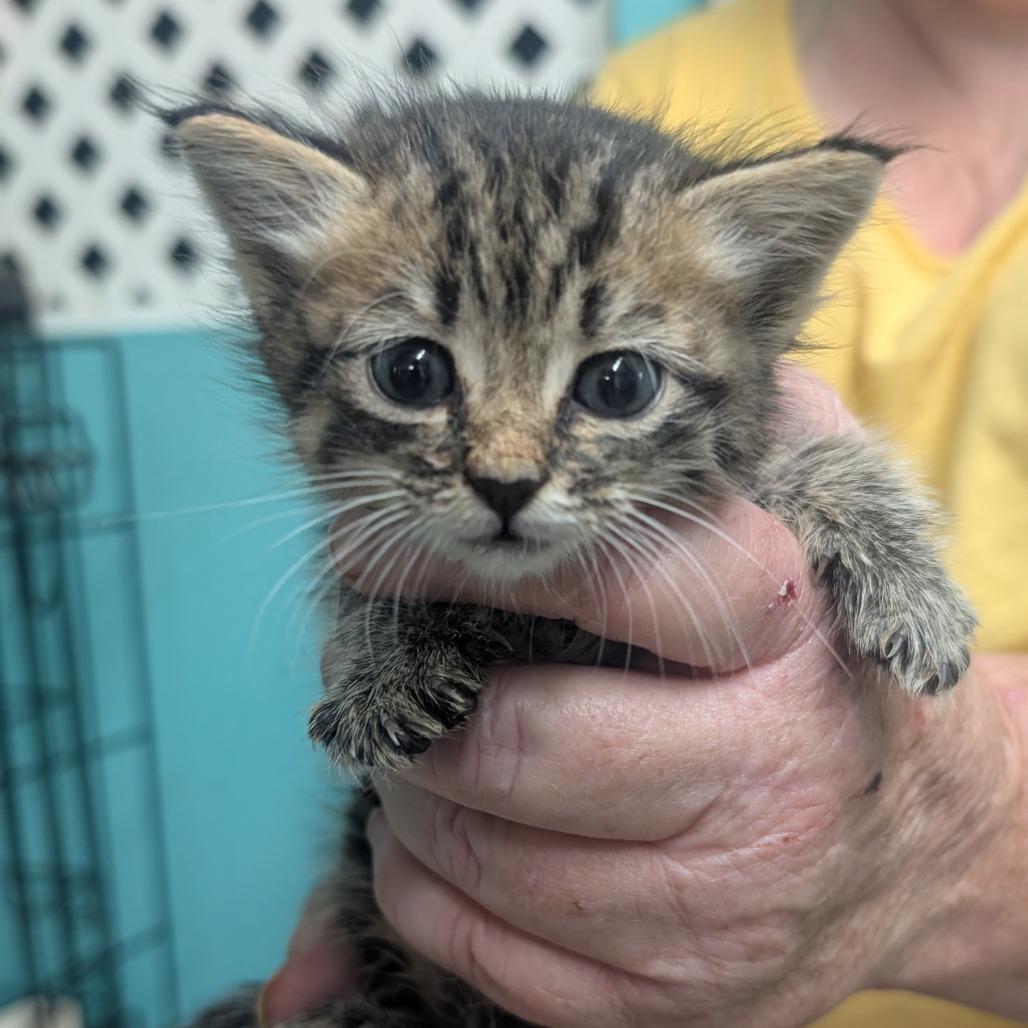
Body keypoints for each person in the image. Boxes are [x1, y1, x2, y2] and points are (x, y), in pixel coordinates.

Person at [259, 0, 1028, 1025]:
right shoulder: (629, 103)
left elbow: (792, 467)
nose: (504, 463)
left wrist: (961, 836)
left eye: (612, 381)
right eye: (413, 370)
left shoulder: (696, 219)